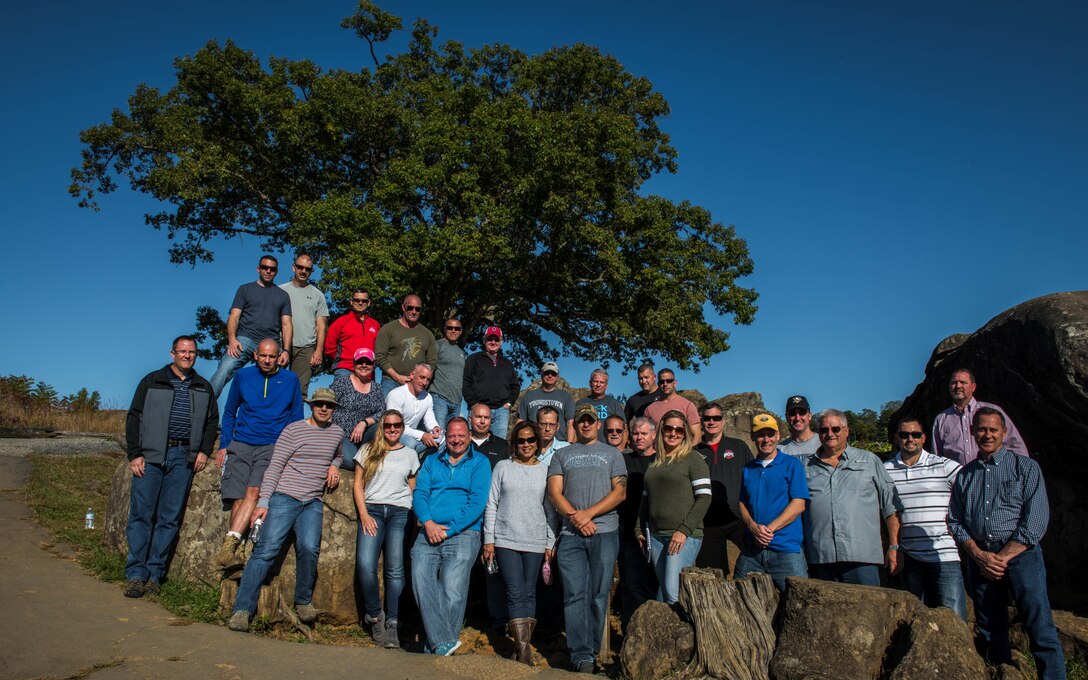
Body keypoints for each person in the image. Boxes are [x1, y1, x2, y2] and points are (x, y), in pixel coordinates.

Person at [948, 408, 1064, 677]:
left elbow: (1035, 520)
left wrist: (1000, 558)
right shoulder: (965, 475)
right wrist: (978, 555)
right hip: (980, 559)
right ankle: (1001, 673)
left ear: (1004, 433)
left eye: (992, 430)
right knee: (990, 628)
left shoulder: (1025, 468)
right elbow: (955, 520)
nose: (987, 435)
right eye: (981, 429)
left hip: (1021, 557)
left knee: (1038, 623)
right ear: (973, 433)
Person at [227, 388, 344, 632]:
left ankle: (303, 601)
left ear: (334, 409)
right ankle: (242, 609)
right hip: (285, 497)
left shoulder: (337, 433)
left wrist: (334, 465)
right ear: (311, 406)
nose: (324, 408)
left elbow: (338, 455)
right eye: (319, 404)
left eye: (329, 406)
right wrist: (264, 502)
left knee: (310, 548)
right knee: (265, 551)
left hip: (312, 501)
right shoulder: (294, 430)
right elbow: (275, 466)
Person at [122, 335, 218, 598]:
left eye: (192, 352)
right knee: (142, 515)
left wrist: (203, 451)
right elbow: (134, 417)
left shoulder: (203, 387)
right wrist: (135, 454)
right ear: (172, 353)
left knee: (169, 518)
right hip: (151, 456)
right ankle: (135, 574)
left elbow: (212, 422)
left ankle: (154, 575)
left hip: (182, 456)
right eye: (182, 351)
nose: (187, 355)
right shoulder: (152, 381)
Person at [547, 404, 627, 675]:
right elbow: (555, 492)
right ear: (576, 424)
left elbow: (620, 493)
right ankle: (581, 655)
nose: (585, 425)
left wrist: (588, 515)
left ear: (597, 423)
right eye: (581, 420)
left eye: (590, 420)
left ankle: (593, 650)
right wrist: (575, 518)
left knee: (598, 594)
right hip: (571, 535)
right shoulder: (562, 454)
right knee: (574, 594)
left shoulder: (613, 454)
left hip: (605, 532)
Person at [214, 339, 303, 574]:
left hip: (272, 445)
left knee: (254, 492)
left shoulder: (290, 379)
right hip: (242, 442)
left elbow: (295, 416)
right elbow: (230, 411)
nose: (267, 360)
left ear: (278, 357)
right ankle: (239, 552)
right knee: (238, 499)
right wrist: (225, 443)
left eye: (272, 357)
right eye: (263, 356)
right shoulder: (243, 377)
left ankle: (228, 546)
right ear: (255, 355)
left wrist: (291, 450)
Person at [411, 418, 492, 656]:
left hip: (464, 532)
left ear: (469, 436)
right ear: (446, 435)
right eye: (452, 436)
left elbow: (477, 502)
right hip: (429, 529)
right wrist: (428, 522)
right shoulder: (432, 460)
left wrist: (450, 529)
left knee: (452, 589)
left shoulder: (480, 462)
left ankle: (436, 643)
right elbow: (420, 493)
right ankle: (443, 642)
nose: (456, 440)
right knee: (420, 577)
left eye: (462, 436)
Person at [482, 422, 558, 665]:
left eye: (530, 440)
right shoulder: (503, 467)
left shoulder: (546, 470)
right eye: (521, 441)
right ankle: (524, 650)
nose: (526, 445)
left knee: (529, 593)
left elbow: (551, 511)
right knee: (515, 592)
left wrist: (550, 541)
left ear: (537, 442)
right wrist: (489, 540)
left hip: (535, 540)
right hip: (506, 539)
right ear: (514, 443)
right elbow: (491, 503)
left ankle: (521, 646)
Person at [803, 409, 901, 586]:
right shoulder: (805, 466)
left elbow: (890, 506)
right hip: (820, 558)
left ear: (846, 431)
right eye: (824, 430)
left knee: (867, 612)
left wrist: (894, 546)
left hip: (862, 558)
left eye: (835, 429)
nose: (830, 434)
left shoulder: (869, 461)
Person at [883, 416, 966, 619]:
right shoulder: (885, 471)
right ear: (896, 438)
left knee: (953, 618)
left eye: (915, 434)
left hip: (945, 553)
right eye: (904, 435)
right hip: (909, 555)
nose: (910, 439)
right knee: (915, 618)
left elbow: (970, 497)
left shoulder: (945, 467)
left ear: (923, 438)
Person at [352, 409, 419, 649]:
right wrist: (364, 515)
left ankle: (393, 621)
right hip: (373, 511)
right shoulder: (368, 450)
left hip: (400, 513)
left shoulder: (411, 454)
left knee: (395, 570)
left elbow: (413, 489)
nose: (392, 429)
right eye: (388, 425)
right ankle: (374, 615)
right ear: (382, 427)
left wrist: (415, 517)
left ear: (402, 427)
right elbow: (358, 484)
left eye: (397, 425)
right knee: (365, 564)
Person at [638, 411, 711, 605]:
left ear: (685, 433)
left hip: (683, 536)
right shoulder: (655, 462)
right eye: (669, 428)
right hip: (656, 536)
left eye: (679, 429)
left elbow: (704, 498)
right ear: (661, 430)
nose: (673, 433)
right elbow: (645, 499)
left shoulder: (693, 459)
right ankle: (666, 635)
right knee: (664, 593)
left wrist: (683, 531)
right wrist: (639, 529)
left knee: (673, 592)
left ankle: (688, 633)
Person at [735, 414, 809, 592]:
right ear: (753, 437)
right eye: (761, 435)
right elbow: (742, 503)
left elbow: (799, 504)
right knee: (738, 595)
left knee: (797, 600)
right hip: (753, 549)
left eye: (770, 434)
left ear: (777, 436)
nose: (766, 439)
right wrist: (753, 527)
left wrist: (769, 530)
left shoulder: (792, 465)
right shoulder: (749, 468)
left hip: (786, 549)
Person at [209, 255, 293, 395]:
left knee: (280, 380)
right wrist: (232, 340)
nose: (268, 271)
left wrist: (286, 350)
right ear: (258, 269)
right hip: (245, 339)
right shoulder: (245, 289)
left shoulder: (283, 296)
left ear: (276, 271)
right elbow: (234, 317)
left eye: (272, 269)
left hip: (271, 342)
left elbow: (286, 324)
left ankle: (272, 414)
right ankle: (202, 407)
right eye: (265, 267)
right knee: (224, 369)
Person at [694, 402, 754, 574]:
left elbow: (752, 479)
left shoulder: (739, 446)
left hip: (739, 519)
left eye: (716, 418)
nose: (712, 422)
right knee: (713, 575)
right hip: (708, 523)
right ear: (701, 421)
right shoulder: (693, 452)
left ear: (723, 421)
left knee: (755, 561)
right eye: (707, 418)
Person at [467, 401, 510, 631]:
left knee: (492, 568)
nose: (482, 421)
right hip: (466, 515)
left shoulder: (502, 446)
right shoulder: (461, 442)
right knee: (466, 565)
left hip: (494, 513)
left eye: (486, 417)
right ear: (470, 418)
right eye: (478, 417)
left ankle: (497, 619)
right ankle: (466, 616)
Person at [932, 369, 1029, 466]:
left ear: (973, 387)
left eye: (963, 382)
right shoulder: (941, 420)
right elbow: (937, 459)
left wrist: (1022, 471)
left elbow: (1015, 445)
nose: (958, 386)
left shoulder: (994, 412)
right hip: (956, 479)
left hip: (993, 475)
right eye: (954, 383)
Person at [616, 417, 658, 627]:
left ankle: (653, 629)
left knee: (656, 584)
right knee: (630, 584)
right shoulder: (623, 460)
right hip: (630, 532)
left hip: (659, 533)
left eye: (643, 434)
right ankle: (631, 631)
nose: (639, 437)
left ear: (653, 435)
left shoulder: (663, 461)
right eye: (635, 433)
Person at [278, 253, 328, 398]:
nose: (303, 271)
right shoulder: (281, 290)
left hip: (306, 348)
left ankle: (296, 421)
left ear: (311, 271)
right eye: (300, 267)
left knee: (299, 392)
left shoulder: (318, 295)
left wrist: (318, 350)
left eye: (307, 269)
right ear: (294, 267)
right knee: (274, 385)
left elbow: (321, 326)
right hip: (281, 345)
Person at [330, 348, 385, 470]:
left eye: (368, 362)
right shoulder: (342, 383)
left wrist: (364, 423)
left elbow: (381, 412)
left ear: (373, 365)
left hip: (364, 435)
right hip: (341, 434)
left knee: (380, 428)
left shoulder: (377, 388)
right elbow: (329, 404)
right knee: (349, 462)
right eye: (360, 362)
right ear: (354, 364)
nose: (364, 365)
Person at [462, 326, 520, 439]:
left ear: (501, 341)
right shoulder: (474, 359)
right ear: (484, 340)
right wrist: (473, 404)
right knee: (473, 442)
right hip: (479, 410)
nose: (493, 342)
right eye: (490, 339)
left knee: (499, 445)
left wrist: (508, 404)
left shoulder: (507, 363)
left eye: (496, 339)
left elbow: (515, 386)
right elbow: (466, 382)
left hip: (500, 412)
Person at [374, 294, 437, 395]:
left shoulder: (428, 335)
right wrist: (396, 376)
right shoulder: (388, 329)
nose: (413, 311)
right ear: (403, 307)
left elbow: (432, 363)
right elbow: (379, 356)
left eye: (417, 309)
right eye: (410, 308)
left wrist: (421, 380)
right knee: (388, 410)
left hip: (416, 385)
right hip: (391, 381)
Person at [385, 363, 442, 456]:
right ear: (412, 375)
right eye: (422, 377)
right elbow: (395, 427)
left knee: (442, 440)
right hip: (393, 435)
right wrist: (422, 435)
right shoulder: (396, 395)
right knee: (410, 443)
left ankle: (424, 467)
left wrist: (435, 428)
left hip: (413, 436)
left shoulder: (428, 397)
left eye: (428, 380)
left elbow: (429, 419)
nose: (424, 383)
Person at [324, 288, 381, 377]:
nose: (360, 303)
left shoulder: (375, 324)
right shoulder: (341, 322)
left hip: (367, 371)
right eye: (357, 300)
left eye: (364, 301)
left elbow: (379, 348)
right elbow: (329, 345)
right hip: (345, 369)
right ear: (351, 301)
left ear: (369, 302)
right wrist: (342, 359)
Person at [518, 361, 575, 441]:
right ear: (541, 374)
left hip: (559, 443)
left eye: (553, 373)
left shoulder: (566, 397)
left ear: (557, 377)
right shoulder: (528, 396)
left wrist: (569, 445)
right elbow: (521, 421)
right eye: (547, 373)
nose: (550, 376)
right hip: (533, 443)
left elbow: (570, 423)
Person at [643, 369, 701, 441]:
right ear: (658, 384)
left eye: (669, 381)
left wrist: (687, 452)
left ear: (675, 383)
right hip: (657, 451)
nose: (665, 384)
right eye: (662, 381)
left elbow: (697, 436)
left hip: (681, 451)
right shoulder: (650, 409)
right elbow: (646, 435)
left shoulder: (688, 406)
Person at [431, 317, 466, 427]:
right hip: (439, 398)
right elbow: (427, 367)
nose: (453, 330)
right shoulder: (438, 345)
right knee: (438, 435)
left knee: (451, 437)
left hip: (456, 402)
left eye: (457, 328)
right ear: (445, 329)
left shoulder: (461, 352)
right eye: (450, 328)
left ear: (461, 331)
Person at [573, 369, 624, 440]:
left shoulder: (614, 404)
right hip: (584, 447)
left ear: (606, 386)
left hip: (608, 448)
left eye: (602, 382)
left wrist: (620, 449)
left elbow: (624, 428)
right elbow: (574, 427)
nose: (598, 385)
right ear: (590, 383)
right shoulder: (580, 403)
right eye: (595, 381)